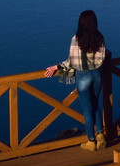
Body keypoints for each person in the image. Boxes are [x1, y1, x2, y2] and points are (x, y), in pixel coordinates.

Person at [45, 10, 108, 151]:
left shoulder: (77, 39)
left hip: (83, 77)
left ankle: (91, 141)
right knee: (96, 103)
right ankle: (100, 135)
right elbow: (103, 56)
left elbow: (70, 61)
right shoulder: (99, 37)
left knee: (87, 109)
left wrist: (56, 67)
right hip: (97, 74)